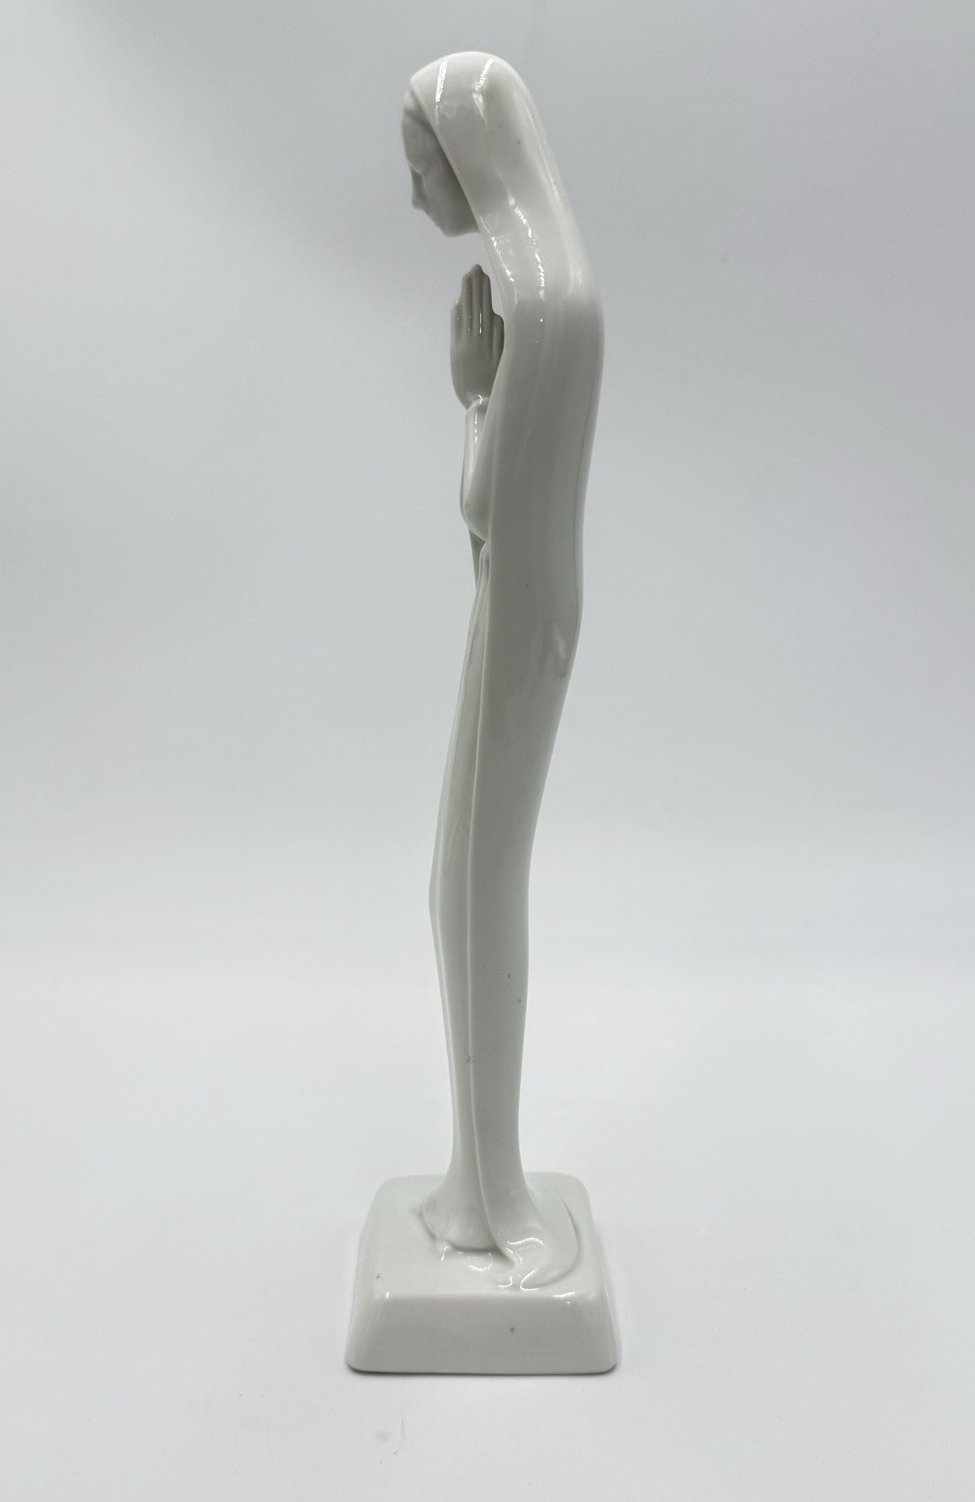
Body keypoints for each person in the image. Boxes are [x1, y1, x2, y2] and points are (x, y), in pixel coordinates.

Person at [400, 54, 603, 1288]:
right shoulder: (551, 288)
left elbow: (487, 503)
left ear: (468, 157)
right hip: (520, 607)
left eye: (419, 165)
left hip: (522, 623)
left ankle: (502, 1198)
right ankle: (470, 1182)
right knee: (454, 888)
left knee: (475, 891)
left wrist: (471, 400)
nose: (413, 192)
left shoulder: (540, 302)